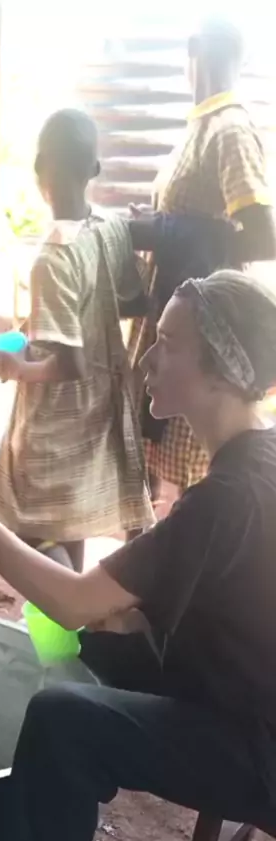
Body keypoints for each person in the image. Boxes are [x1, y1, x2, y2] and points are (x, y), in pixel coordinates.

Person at [0, 269, 276, 841]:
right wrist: (122, 616)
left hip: (257, 747)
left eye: (168, 344)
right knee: (103, 648)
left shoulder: (226, 498)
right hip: (243, 695)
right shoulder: (260, 459)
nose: (147, 359)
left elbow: (70, 603)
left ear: (222, 372)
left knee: (63, 720)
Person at [0, 108, 153, 567]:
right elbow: (132, 300)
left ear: (40, 166)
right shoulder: (110, 228)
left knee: (28, 525)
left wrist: (19, 368)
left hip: (56, 420)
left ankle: (64, 601)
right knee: (69, 521)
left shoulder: (53, 258)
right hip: (98, 410)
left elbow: (69, 364)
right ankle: (72, 603)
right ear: (94, 169)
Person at [129, 17, 276, 501]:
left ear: (193, 50)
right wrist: (162, 224)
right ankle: (157, 546)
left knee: (190, 469)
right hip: (173, 312)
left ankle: (189, 545)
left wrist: (175, 234)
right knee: (158, 455)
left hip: (200, 333)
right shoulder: (201, 126)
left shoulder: (230, 129)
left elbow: (263, 236)